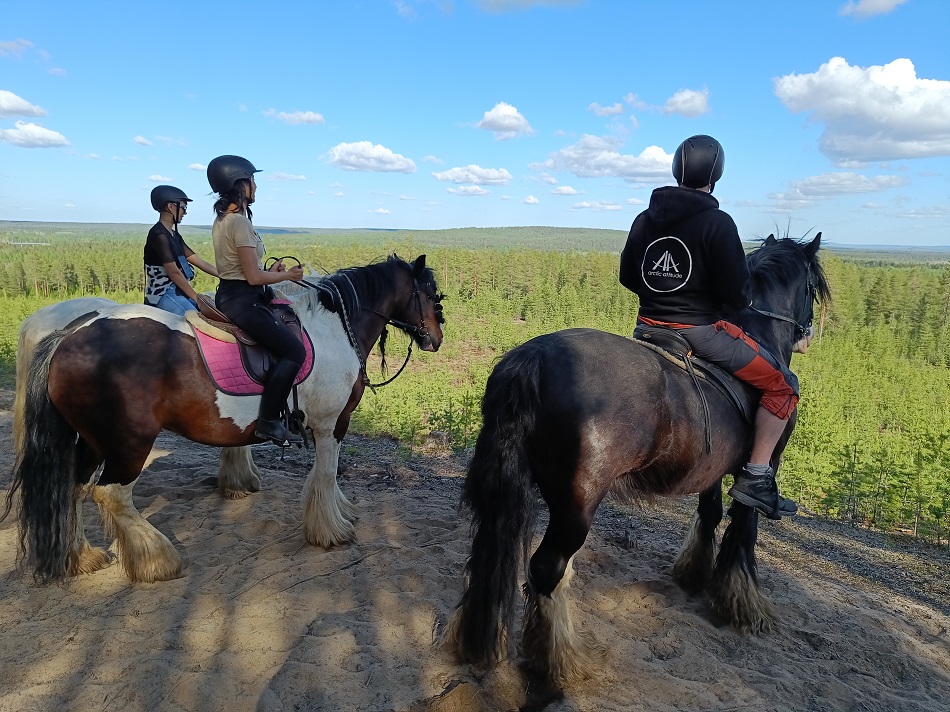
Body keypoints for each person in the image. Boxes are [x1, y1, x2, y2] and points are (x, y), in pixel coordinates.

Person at [619, 135, 798, 519]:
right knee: (783, 385)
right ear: (715, 175)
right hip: (699, 333)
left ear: (674, 169)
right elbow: (738, 296)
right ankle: (757, 476)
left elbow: (627, 276)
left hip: (645, 327)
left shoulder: (643, 218)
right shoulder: (717, 223)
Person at [207, 155, 306, 447]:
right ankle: (268, 421)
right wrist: (287, 274)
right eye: (253, 180)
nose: (256, 187)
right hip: (243, 300)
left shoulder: (224, 219)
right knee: (294, 352)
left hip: (232, 293)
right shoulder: (239, 222)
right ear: (240, 184)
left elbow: (245, 270)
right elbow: (251, 277)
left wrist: (270, 273)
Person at [144, 185, 219, 315]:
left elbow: (199, 262)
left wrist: (226, 275)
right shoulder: (159, 235)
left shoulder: (174, 235)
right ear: (170, 207)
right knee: (195, 319)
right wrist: (197, 298)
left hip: (178, 289)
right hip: (163, 293)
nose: (185, 212)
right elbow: (174, 273)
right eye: (183, 207)